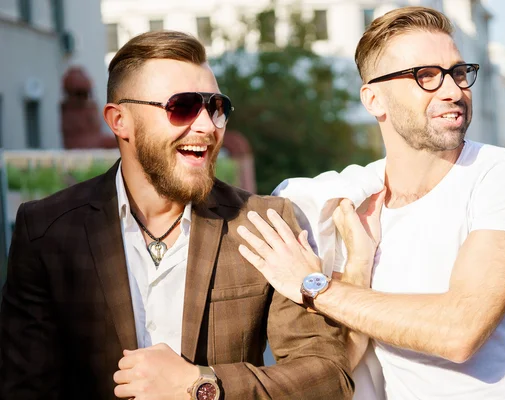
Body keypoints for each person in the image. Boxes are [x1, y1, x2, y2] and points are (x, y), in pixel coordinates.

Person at [0, 31, 353, 400]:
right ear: (120, 120)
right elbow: (24, 388)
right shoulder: (47, 232)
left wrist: (204, 384)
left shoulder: (261, 223)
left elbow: (328, 378)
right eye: (182, 106)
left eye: (216, 107)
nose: (206, 126)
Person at [237, 7, 505, 400]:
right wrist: (358, 266)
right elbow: (345, 363)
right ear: (374, 99)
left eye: (458, 72)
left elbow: (460, 331)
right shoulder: (355, 203)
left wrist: (312, 286)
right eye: (425, 76)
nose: (453, 90)